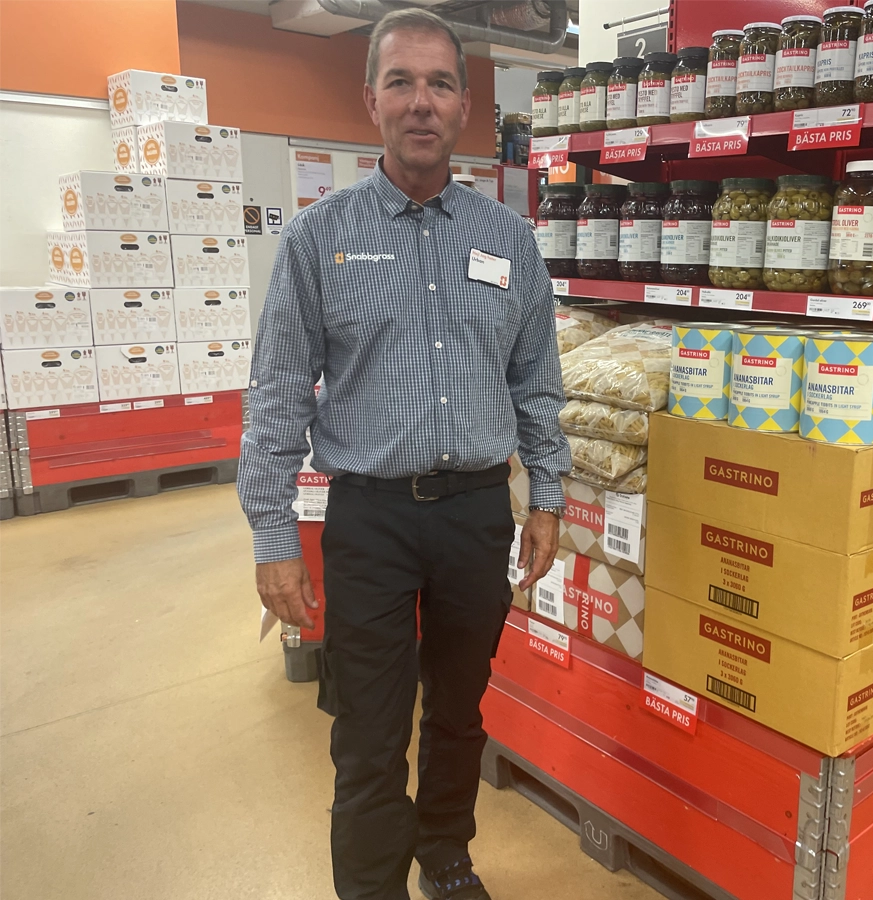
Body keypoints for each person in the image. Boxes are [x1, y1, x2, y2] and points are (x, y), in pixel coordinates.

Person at [236, 8, 570, 899]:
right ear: (371, 100)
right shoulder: (318, 239)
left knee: (459, 710)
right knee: (369, 730)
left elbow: (536, 381)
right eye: (401, 82)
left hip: (475, 514)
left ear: (464, 104)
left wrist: (548, 496)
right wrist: (273, 536)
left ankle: (445, 855)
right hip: (370, 520)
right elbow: (276, 394)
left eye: (440, 84)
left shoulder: (508, 240)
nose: (421, 102)